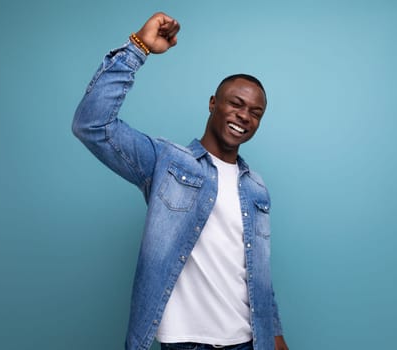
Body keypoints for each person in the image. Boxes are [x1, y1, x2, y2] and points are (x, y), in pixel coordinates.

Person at [72, 12, 289, 350]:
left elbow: (256, 273)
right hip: (186, 344)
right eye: (236, 104)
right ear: (213, 104)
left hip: (250, 341)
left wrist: (275, 335)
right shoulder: (167, 162)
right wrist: (138, 48)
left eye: (255, 112)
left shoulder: (256, 188)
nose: (244, 116)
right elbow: (92, 125)